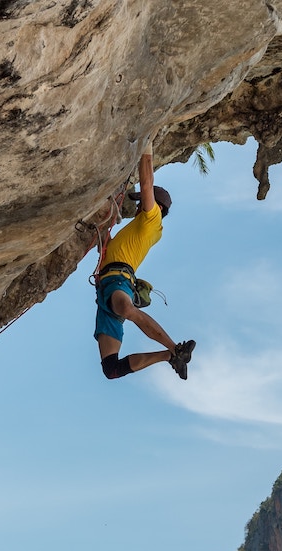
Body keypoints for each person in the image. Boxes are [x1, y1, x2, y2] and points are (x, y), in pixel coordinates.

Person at [93, 139, 195, 380]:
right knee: (111, 369)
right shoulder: (140, 228)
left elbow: (147, 183)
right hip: (106, 290)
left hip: (118, 281)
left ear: (156, 207)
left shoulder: (152, 220)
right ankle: (170, 356)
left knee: (127, 309)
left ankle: (175, 349)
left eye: (141, 203)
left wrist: (146, 146)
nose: (138, 206)